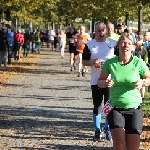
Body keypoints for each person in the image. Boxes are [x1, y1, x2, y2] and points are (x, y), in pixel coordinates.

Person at [97, 32, 150, 150]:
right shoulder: (110, 63)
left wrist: (143, 82)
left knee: (133, 146)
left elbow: (148, 78)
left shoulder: (138, 62)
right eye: (123, 43)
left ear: (132, 47)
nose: (126, 45)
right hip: (115, 108)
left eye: (129, 43)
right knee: (119, 144)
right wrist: (105, 83)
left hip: (134, 108)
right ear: (118, 45)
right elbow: (99, 82)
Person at [82, 22, 116, 140]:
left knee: (109, 106)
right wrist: (91, 62)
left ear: (106, 31)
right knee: (97, 106)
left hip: (109, 81)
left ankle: (107, 129)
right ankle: (97, 129)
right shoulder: (89, 45)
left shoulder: (112, 44)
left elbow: (119, 60)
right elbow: (84, 61)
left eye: (103, 30)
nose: (101, 33)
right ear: (95, 32)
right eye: (98, 30)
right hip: (95, 81)